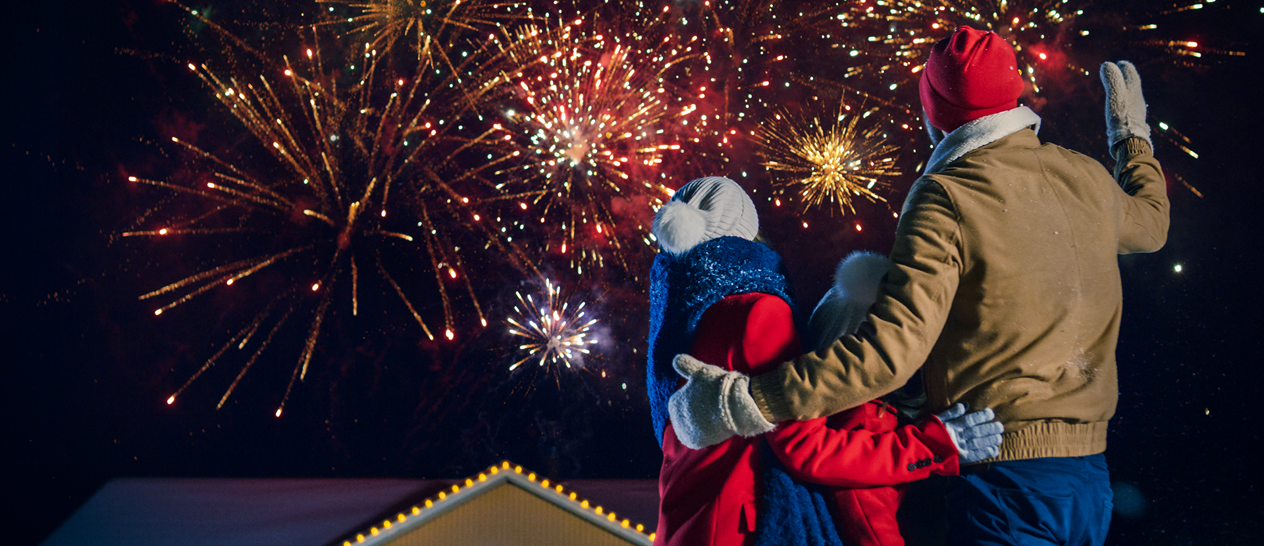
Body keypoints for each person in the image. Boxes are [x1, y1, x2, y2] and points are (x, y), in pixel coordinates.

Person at [667, 27, 1170, 546]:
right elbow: (1152, 225)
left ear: (935, 110)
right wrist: (1131, 138)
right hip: (1089, 478)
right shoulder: (1084, 176)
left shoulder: (949, 193)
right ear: (1014, 91)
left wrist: (749, 401)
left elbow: (891, 353)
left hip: (1003, 477)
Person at [647, 176, 1002, 546]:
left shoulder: (676, 319)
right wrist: (934, 444)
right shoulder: (759, 310)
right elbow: (802, 446)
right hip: (742, 528)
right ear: (748, 232)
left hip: (685, 525)